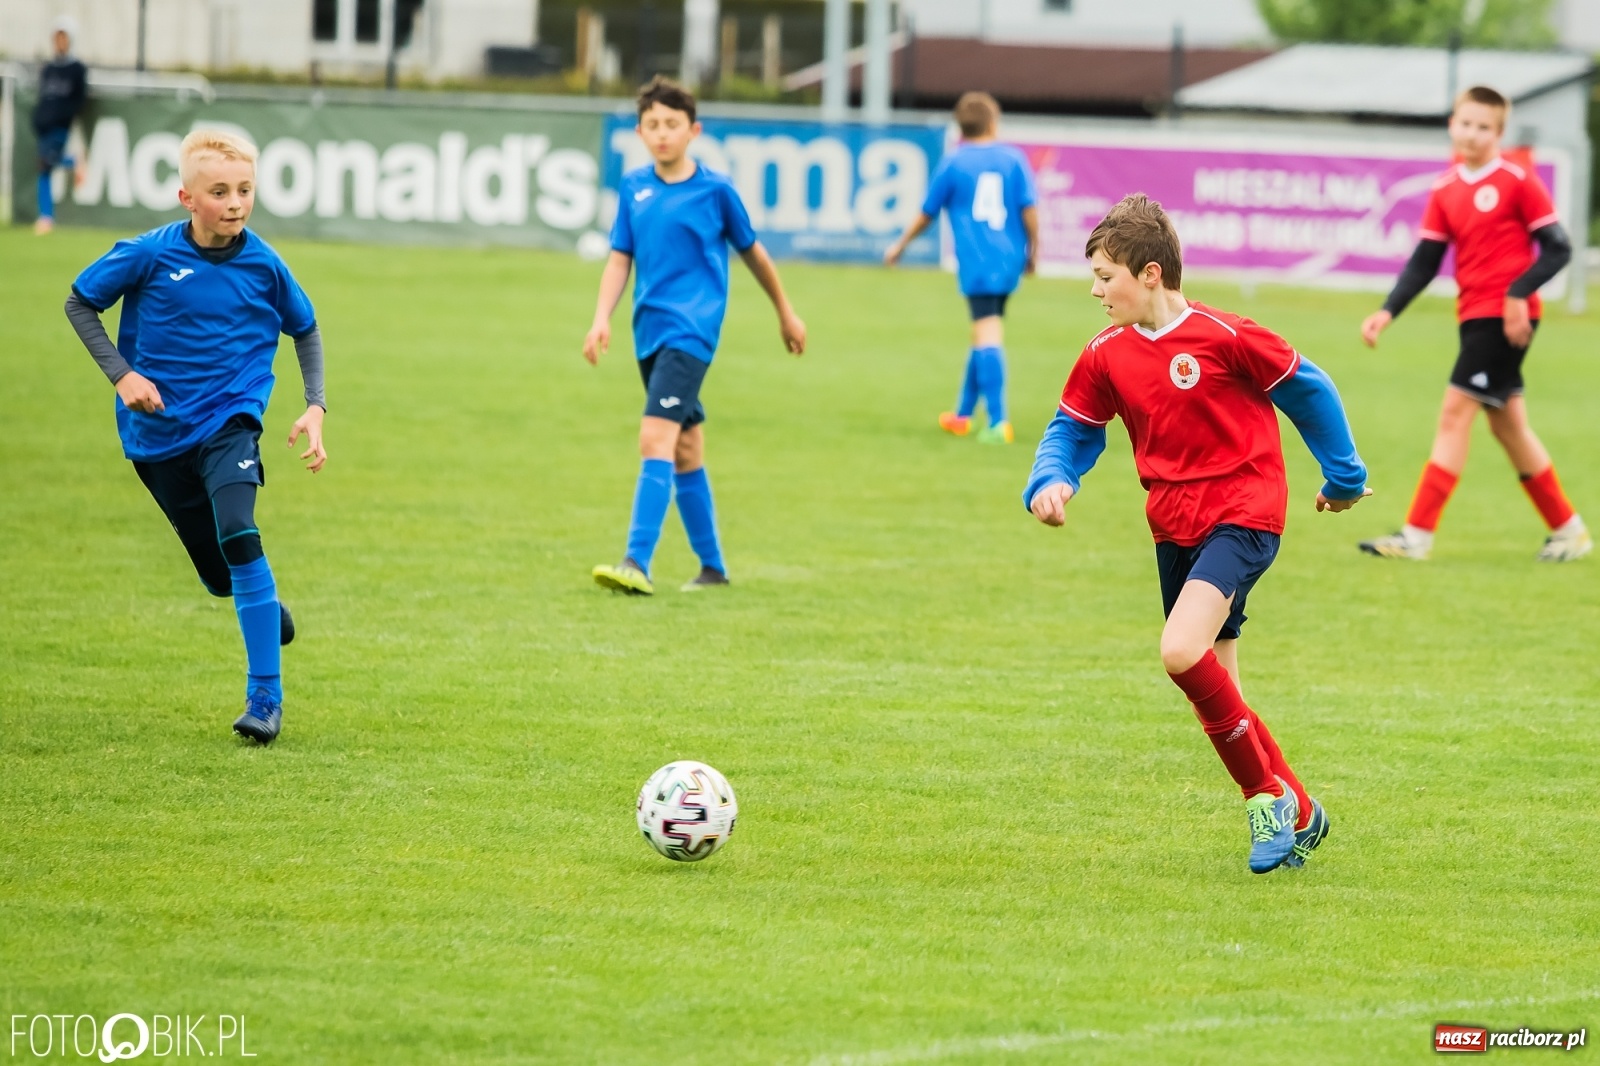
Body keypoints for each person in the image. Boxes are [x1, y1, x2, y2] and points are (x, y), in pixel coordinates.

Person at [1024, 194, 1370, 874]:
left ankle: (1264, 800)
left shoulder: (1225, 335)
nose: (1096, 290)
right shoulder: (1106, 355)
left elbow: (1309, 388)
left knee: (1181, 652)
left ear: (1150, 273)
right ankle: (1300, 808)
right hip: (1174, 525)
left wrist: (1345, 477)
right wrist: (1051, 480)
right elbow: (1072, 428)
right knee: (1218, 689)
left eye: (1105, 276)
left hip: (1244, 512)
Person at [64, 130, 327, 744]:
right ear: (187, 196)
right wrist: (122, 375)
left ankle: (265, 698)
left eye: (245, 190)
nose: (235, 202)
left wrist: (314, 406)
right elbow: (80, 303)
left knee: (239, 531)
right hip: (157, 435)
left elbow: (306, 330)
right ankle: (264, 610)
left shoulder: (264, 264)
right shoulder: (147, 254)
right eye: (219, 191)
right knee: (220, 575)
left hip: (232, 421)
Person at [584, 76, 806, 596]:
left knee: (654, 437)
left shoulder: (716, 190)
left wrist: (785, 312)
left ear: (694, 130)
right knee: (684, 447)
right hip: (649, 334)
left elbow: (753, 252)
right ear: (639, 132)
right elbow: (621, 258)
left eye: (673, 125)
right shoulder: (634, 188)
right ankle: (713, 569)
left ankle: (635, 562)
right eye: (653, 125)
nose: (662, 134)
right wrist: (601, 318)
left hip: (691, 332)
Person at [1358, 85, 1588, 563]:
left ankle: (1416, 535)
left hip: (1504, 321)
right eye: (1465, 123)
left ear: (1499, 133)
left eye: (1484, 127)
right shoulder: (1445, 189)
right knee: (1509, 427)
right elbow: (1424, 263)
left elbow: (1560, 247)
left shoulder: (1517, 179)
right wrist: (1387, 310)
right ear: (1452, 124)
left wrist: (1518, 294)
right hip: (1473, 317)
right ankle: (1569, 530)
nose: (1472, 133)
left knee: (1454, 413)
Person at [883, 91, 1037, 445]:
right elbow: (1030, 209)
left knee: (987, 333)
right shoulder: (1013, 159)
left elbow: (927, 212)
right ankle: (963, 416)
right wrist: (1033, 252)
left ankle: (999, 422)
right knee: (983, 331)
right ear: (993, 122)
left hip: (978, 260)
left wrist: (900, 246)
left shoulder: (954, 163)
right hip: (1009, 257)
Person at [32, 16, 88, 235]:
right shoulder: (48, 68)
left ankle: (46, 218)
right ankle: (74, 162)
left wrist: (62, 115)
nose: (59, 42)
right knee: (44, 167)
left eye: (63, 37)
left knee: (45, 164)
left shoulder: (76, 69)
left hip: (60, 126)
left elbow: (79, 99)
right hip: (44, 127)